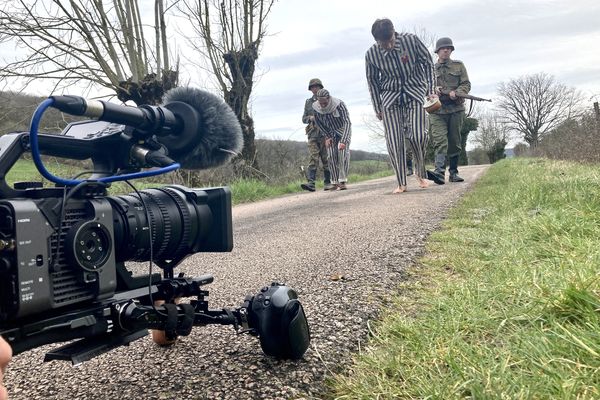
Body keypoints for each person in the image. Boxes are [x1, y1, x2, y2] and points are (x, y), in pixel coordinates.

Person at [365, 18, 440, 194]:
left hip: (414, 92)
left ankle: (420, 172)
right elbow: (373, 82)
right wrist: (377, 106)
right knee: (394, 140)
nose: (388, 46)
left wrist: (431, 89)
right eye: (384, 43)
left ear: (394, 33)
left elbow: (427, 63)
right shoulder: (371, 54)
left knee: (418, 136)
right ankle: (401, 182)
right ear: (376, 40)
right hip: (390, 97)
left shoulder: (411, 40)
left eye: (390, 41)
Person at [428, 37, 471, 183]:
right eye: (443, 48)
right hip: (437, 110)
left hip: (456, 109)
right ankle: (439, 173)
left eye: (448, 48)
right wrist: (433, 89)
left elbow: (466, 84)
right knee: (440, 140)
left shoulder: (459, 66)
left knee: (455, 141)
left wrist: (457, 92)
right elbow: (423, 87)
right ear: (438, 51)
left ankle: (453, 173)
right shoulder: (430, 69)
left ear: (451, 50)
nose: (446, 50)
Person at [312, 89, 351, 190]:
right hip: (330, 133)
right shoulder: (316, 108)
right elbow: (318, 123)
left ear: (328, 98)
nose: (323, 105)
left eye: (324, 102)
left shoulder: (339, 104)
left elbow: (347, 122)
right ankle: (334, 182)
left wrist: (344, 140)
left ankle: (342, 181)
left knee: (341, 153)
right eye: (320, 103)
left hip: (343, 130)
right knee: (331, 156)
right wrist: (327, 136)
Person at [301, 78, 334, 192]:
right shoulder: (308, 102)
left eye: (317, 86)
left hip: (325, 133)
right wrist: (310, 118)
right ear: (310, 89)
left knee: (326, 158)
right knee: (313, 157)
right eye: (313, 87)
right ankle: (311, 183)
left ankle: (328, 182)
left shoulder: (327, 100)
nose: (315, 89)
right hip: (312, 134)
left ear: (321, 87)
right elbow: (303, 118)